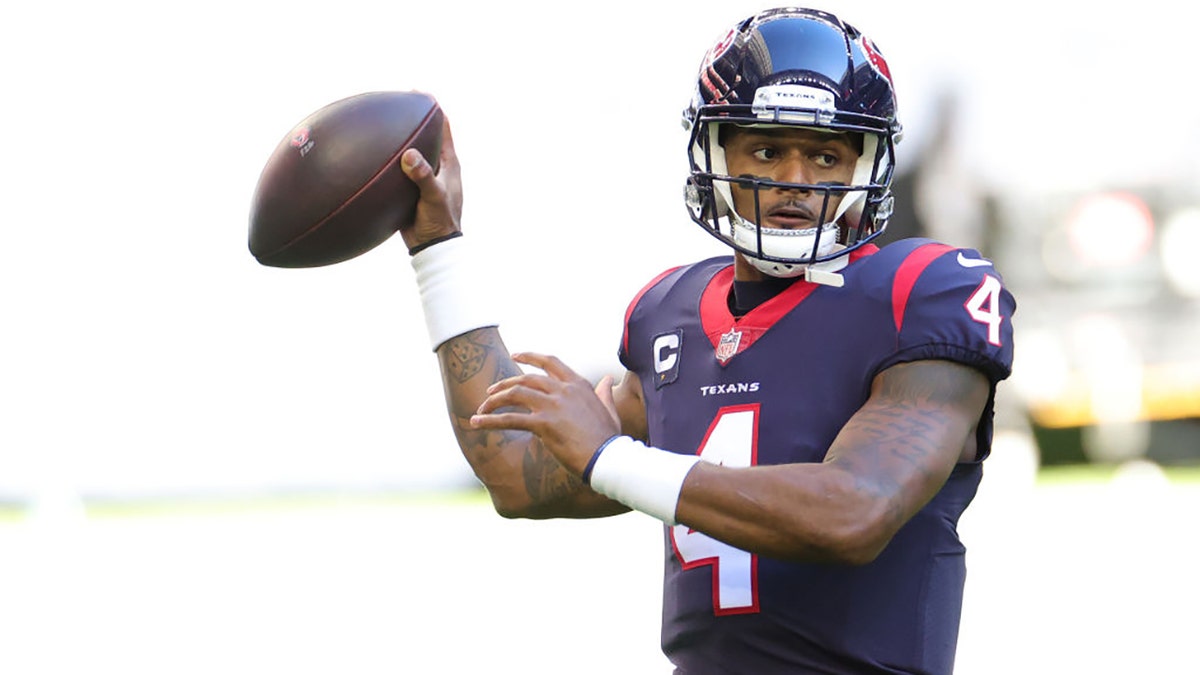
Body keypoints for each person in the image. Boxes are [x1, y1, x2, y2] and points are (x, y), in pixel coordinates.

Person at [397, 7, 1015, 674]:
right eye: (768, 149)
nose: (796, 181)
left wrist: (609, 456)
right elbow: (516, 476)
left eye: (826, 154)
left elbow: (856, 511)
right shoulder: (669, 314)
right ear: (714, 151)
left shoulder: (919, 291)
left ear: (867, 166)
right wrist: (437, 248)